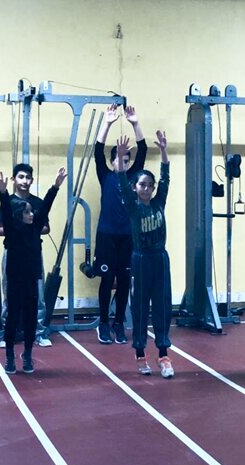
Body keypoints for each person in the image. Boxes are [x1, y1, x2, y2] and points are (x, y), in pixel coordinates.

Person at [0, 167, 66, 374]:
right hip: (15, 278)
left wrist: (55, 186)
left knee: (32, 315)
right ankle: (9, 356)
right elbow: (6, 210)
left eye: (32, 211)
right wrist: (3, 192)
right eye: (27, 212)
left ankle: (27, 353)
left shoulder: (35, 228)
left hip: (31, 277)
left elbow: (47, 206)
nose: (32, 214)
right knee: (13, 314)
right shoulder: (12, 231)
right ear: (18, 215)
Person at [116, 131, 174, 379]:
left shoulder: (159, 202)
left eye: (150, 185)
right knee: (140, 306)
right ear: (135, 188)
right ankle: (140, 354)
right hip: (140, 260)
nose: (147, 189)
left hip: (160, 259)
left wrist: (163, 151)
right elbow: (121, 181)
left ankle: (163, 355)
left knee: (162, 306)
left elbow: (166, 178)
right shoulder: (132, 205)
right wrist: (121, 160)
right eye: (142, 185)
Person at [94, 104, 147, 344]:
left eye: (127, 160)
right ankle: (103, 323)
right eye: (119, 160)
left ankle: (118, 323)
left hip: (128, 237)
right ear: (112, 160)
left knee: (125, 281)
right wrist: (107, 123)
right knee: (107, 280)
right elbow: (97, 150)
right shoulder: (105, 176)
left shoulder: (134, 178)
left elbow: (143, 150)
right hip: (107, 236)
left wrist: (135, 123)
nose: (123, 164)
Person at [0, 163, 52, 348]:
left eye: (28, 177)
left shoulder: (38, 203)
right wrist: (18, 229)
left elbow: (46, 227)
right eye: (21, 177)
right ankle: (7, 334)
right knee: (10, 293)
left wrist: (31, 228)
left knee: (38, 295)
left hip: (33, 253)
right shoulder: (9, 202)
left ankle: (39, 333)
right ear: (14, 179)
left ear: (32, 180)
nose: (24, 181)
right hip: (12, 253)